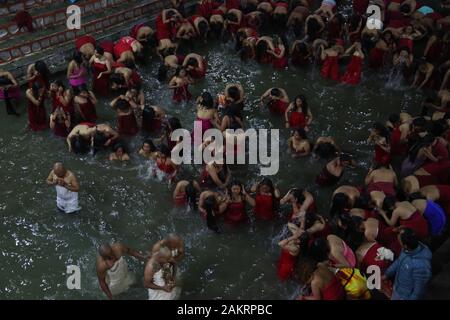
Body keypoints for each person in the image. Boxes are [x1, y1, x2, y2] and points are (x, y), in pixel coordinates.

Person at [383, 228, 432, 300]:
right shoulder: (407, 250)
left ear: (405, 245)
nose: (398, 239)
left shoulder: (422, 266)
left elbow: (419, 289)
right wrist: (387, 274)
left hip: (405, 296)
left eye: (399, 239)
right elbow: (399, 261)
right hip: (398, 289)